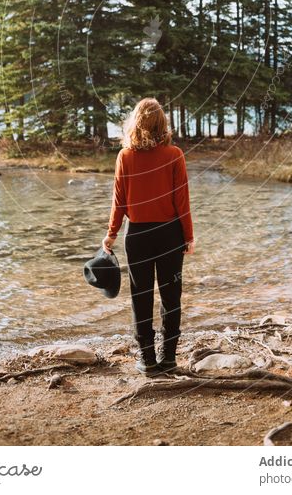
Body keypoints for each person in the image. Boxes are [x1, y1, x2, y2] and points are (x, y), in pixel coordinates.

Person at [102, 97, 195, 376]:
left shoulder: (125, 157)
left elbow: (118, 202)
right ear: (162, 124)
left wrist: (111, 235)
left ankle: (148, 360)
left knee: (141, 297)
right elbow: (183, 201)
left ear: (135, 122)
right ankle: (169, 358)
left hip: (138, 236)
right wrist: (188, 237)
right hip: (170, 235)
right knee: (171, 296)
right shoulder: (174, 154)